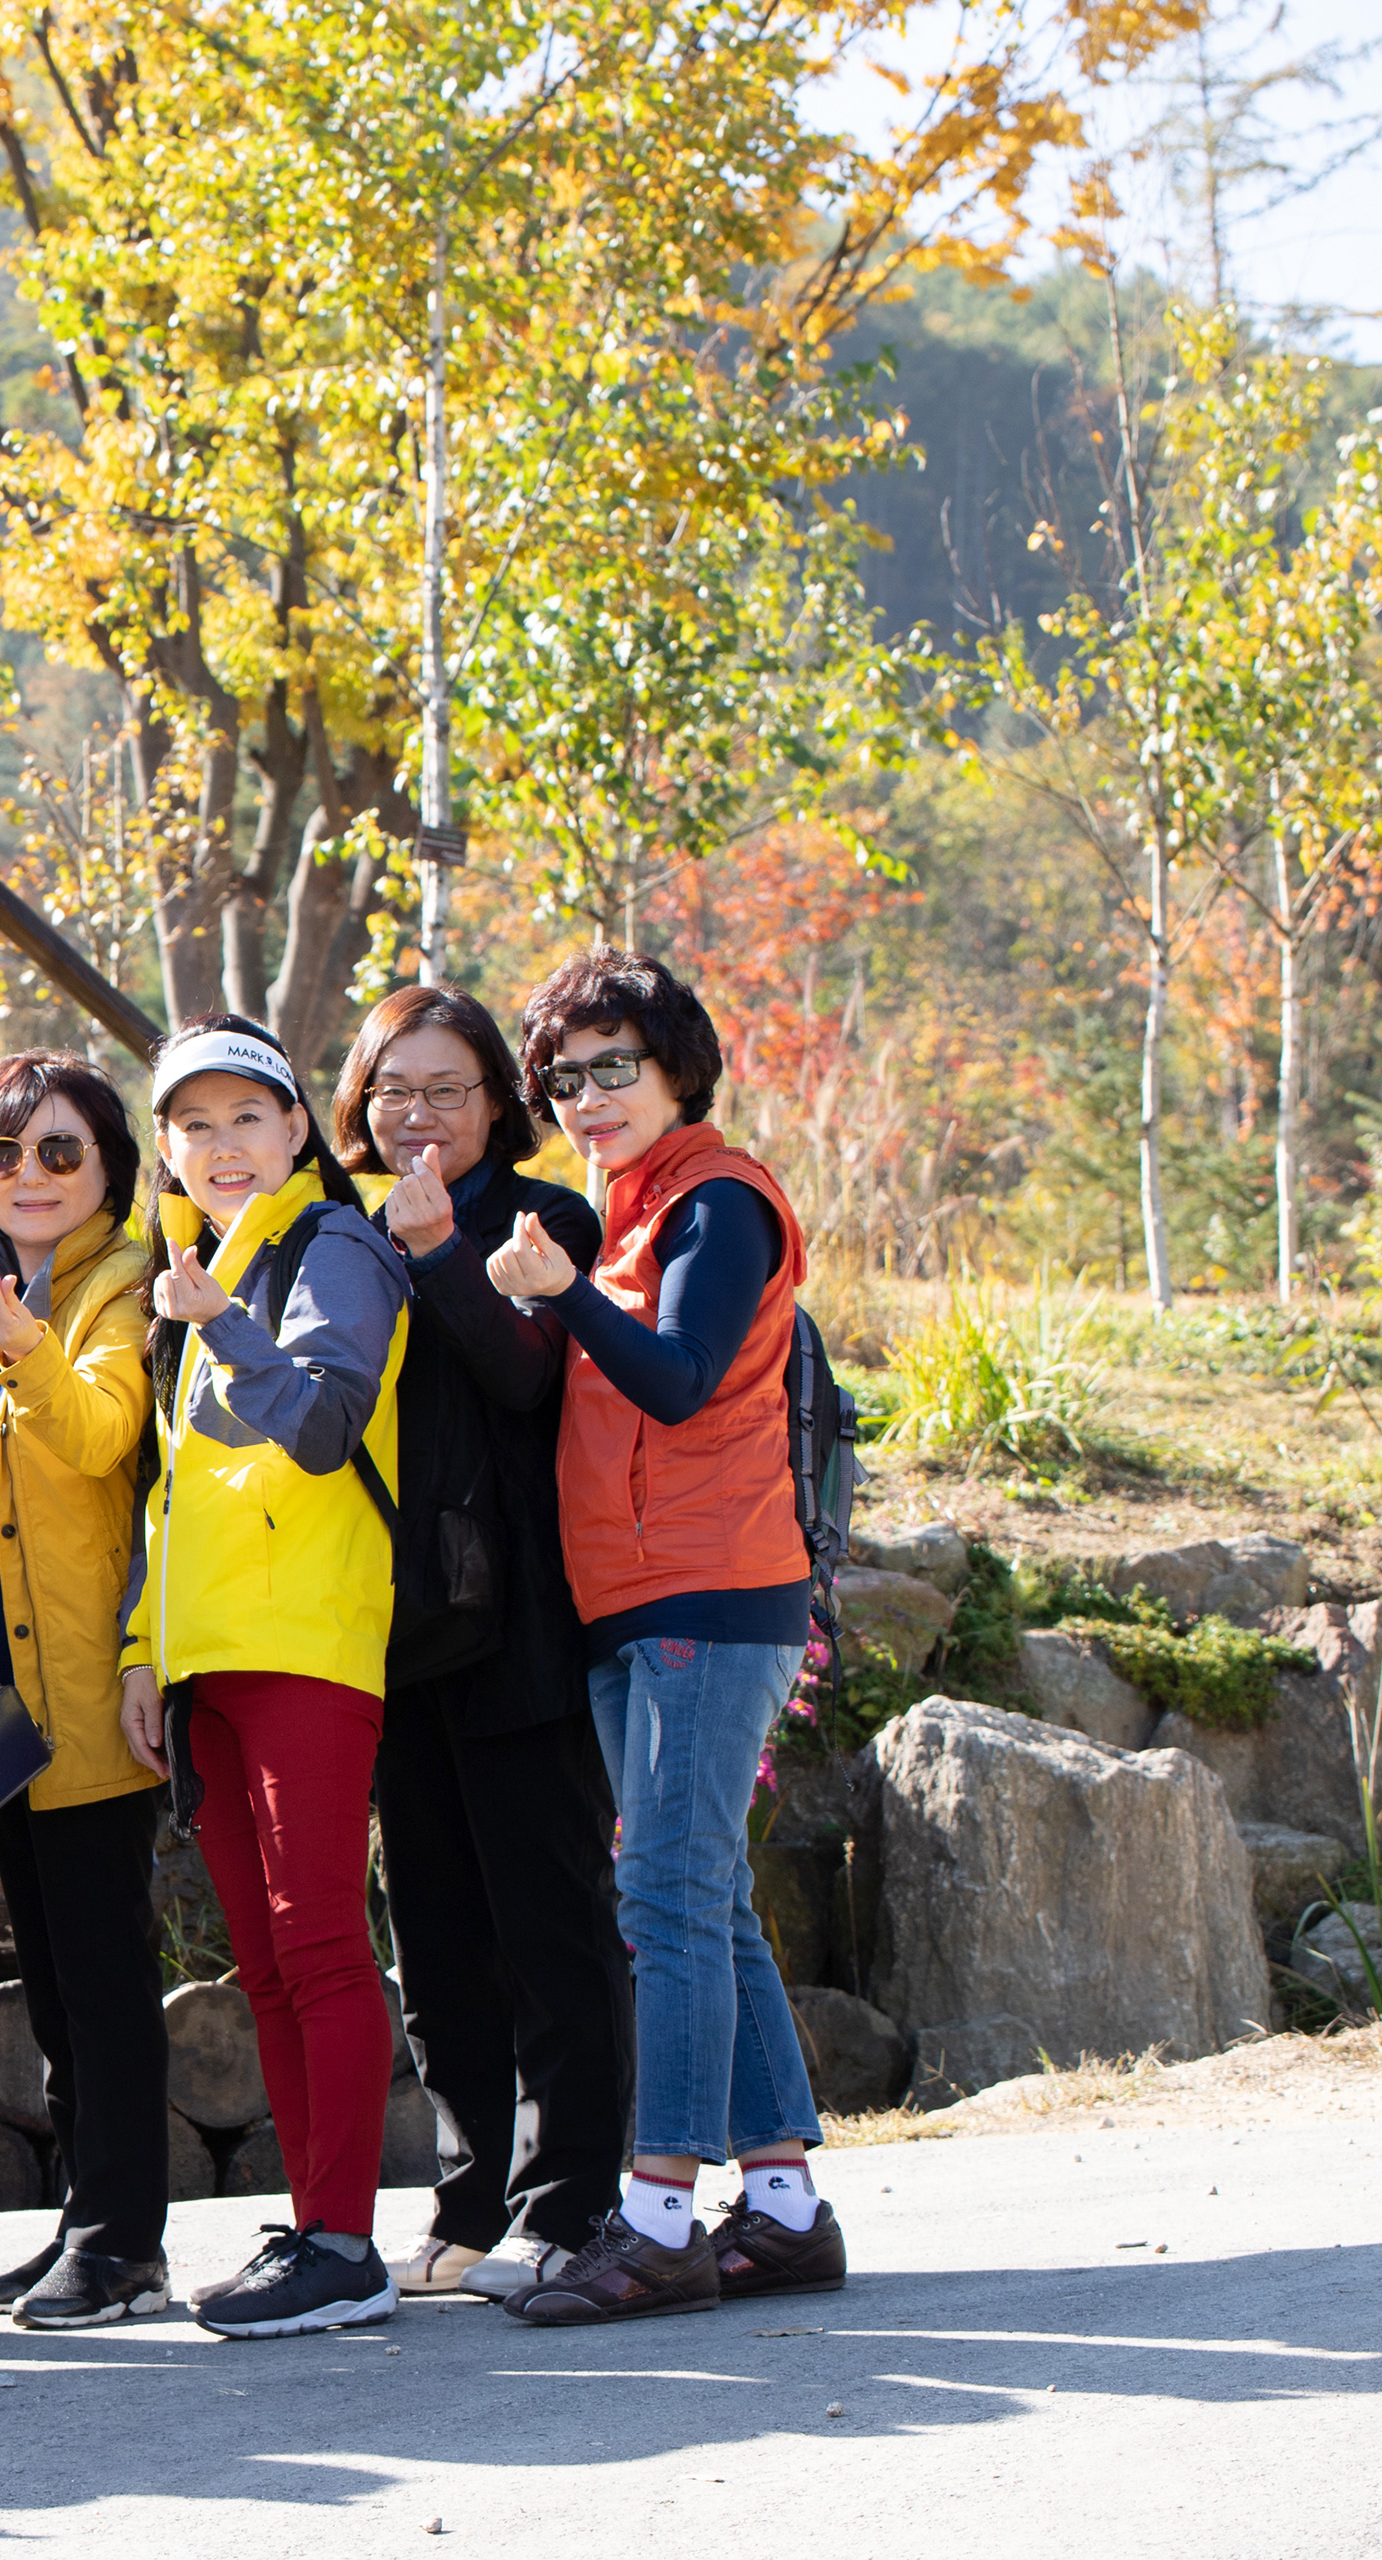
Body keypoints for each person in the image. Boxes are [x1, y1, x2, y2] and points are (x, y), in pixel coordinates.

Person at [487, 949, 842, 2324]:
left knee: (668, 1901)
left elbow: (683, 1381)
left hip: (711, 1592)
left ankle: (656, 2220)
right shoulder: (624, 1214)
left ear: (677, 1069)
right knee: (705, 1897)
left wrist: (563, 1291)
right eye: (566, 1078)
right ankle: (786, 2211)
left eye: (614, 1068)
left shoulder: (717, 1200)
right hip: (635, 1601)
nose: (589, 1097)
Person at [328, 988, 629, 2307]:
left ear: (498, 1101)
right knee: (438, 1940)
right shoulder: (339, 1232)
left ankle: (572, 2204)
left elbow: (525, 1376)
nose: (418, 1113)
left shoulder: (548, 1221)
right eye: (393, 1088)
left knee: (550, 1926)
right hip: (389, 1629)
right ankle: (467, 2207)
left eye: (446, 1088)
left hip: (518, 1626)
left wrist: (443, 1250)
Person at [119, 1014, 412, 2341]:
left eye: (248, 1116)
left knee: (321, 1944)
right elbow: (172, 1497)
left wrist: (224, 1324)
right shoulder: (202, 1266)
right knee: (271, 1966)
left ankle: (345, 2242)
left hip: (308, 1639)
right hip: (209, 1658)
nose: (223, 1144)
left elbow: (325, 1422)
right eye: (195, 1124)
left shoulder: (331, 1245)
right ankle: (316, 2226)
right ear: (167, 1149)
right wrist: (145, 1653)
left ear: (298, 1127)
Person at [0, 1052, 175, 2331]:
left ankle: (123, 2241)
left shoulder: (120, 1289)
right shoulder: (2, 1296)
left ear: (111, 1167)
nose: (30, 1173)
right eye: (4, 1153)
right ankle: (84, 2218)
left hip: (85, 1689)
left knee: (103, 1977)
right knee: (55, 1979)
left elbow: (99, 1436)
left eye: (61, 1150)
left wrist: (17, 1350)